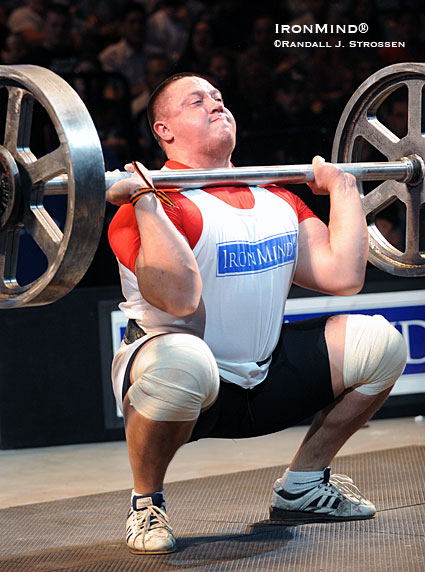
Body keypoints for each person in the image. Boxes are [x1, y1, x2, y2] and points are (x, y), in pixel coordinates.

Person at [106, 72, 407, 555]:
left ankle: (304, 485)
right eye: (196, 101)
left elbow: (342, 276)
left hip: (264, 379)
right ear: (164, 131)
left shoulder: (276, 199)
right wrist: (145, 199)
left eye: (219, 98)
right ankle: (146, 501)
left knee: (382, 344)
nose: (215, 105)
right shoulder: (155, 205)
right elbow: (179, 299)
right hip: (183, 387)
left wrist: (345, 188)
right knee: (186, 362)